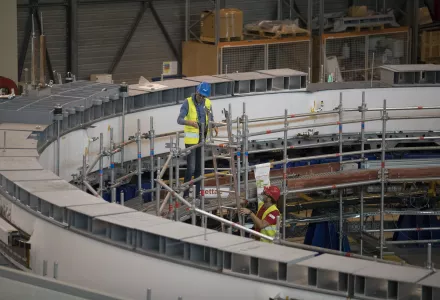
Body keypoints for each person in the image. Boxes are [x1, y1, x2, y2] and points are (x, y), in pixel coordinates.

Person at [177, 82, 218, 200]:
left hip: (202, 139)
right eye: (200, 95)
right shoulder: (187, 102)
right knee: (191, 168)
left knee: (199, 168)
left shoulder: (208, 103)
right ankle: (185, 194)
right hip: (191, 140)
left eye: (204, 97)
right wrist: (188, 122)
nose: (202, 98)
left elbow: (210, 117)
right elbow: (179, 119)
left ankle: (197, 195)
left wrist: (214, 125)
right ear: (196, 92)